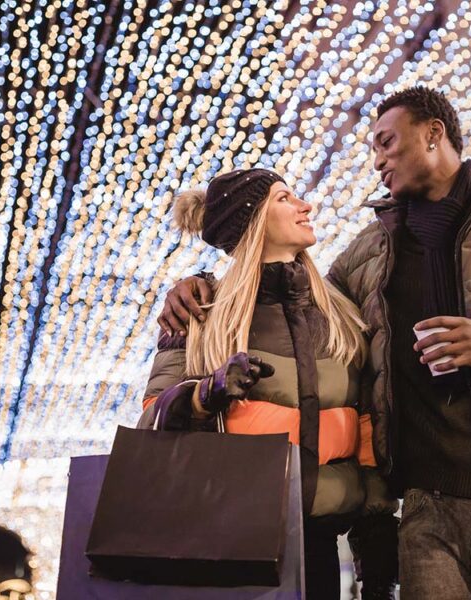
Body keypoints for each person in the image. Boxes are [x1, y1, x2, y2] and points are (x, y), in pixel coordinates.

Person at [156, 87, 471, 599]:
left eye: (386, 142)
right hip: (423, 508)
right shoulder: (368, 253)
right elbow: (285, 299)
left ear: (433, 133)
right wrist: (197, 284)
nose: (377, 159)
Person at [137, 169, 399, 600]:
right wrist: (207, 395)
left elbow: (366, 434)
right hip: (225, 545)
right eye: (284, 198)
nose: (305, 205)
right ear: (253, 219)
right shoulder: (200, 314)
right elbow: (151, 421)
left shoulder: (341, 317)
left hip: (318, 549)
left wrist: (377, 547)